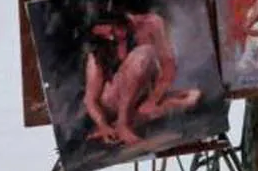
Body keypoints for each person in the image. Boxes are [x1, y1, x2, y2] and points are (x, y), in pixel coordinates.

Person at [84, 9, 202, 146]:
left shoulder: (151, 23)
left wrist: (153, 100)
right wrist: (102, 124)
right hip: (113, 101)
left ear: (117, 19)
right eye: (104, 37)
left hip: (140, 96)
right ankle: (123, 124)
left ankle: (127, 122)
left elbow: (168, 66)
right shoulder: (100, 51)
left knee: (193, 96)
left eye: (112, 31)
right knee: (144, 54)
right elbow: (90, 99)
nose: (111, 38)